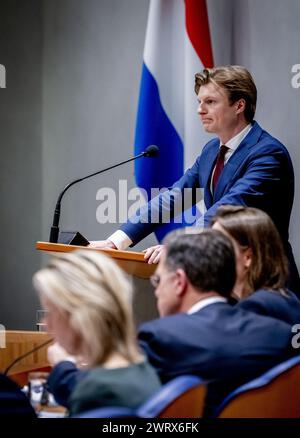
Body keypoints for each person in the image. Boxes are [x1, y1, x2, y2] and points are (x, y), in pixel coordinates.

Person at [89, 65, 299, 294]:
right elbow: (174, 198)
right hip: (228, 284)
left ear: (239, 105)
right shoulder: (212, 150)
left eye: (210, 102)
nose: (200, 110)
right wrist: (116, 241)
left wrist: (179, 246)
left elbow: (228, 209)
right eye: (199, 102)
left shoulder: (268, 154)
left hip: (267, 286)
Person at [47, 231, 296, 417]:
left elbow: (101, 397)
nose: (156, 293)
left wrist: (63, 366)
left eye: (157, 281)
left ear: (179, 281)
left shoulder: (161, 337)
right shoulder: (281, 334)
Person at [32, 251, 161, 416]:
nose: (45, 324)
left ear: (80, 316)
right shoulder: (143, 369)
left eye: (50, 312)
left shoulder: (95, 391)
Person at [211, 205, 300, 322]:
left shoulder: (257, 309)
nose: (209, 253)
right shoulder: (282, 298)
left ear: (248, 257)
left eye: (218, 246)